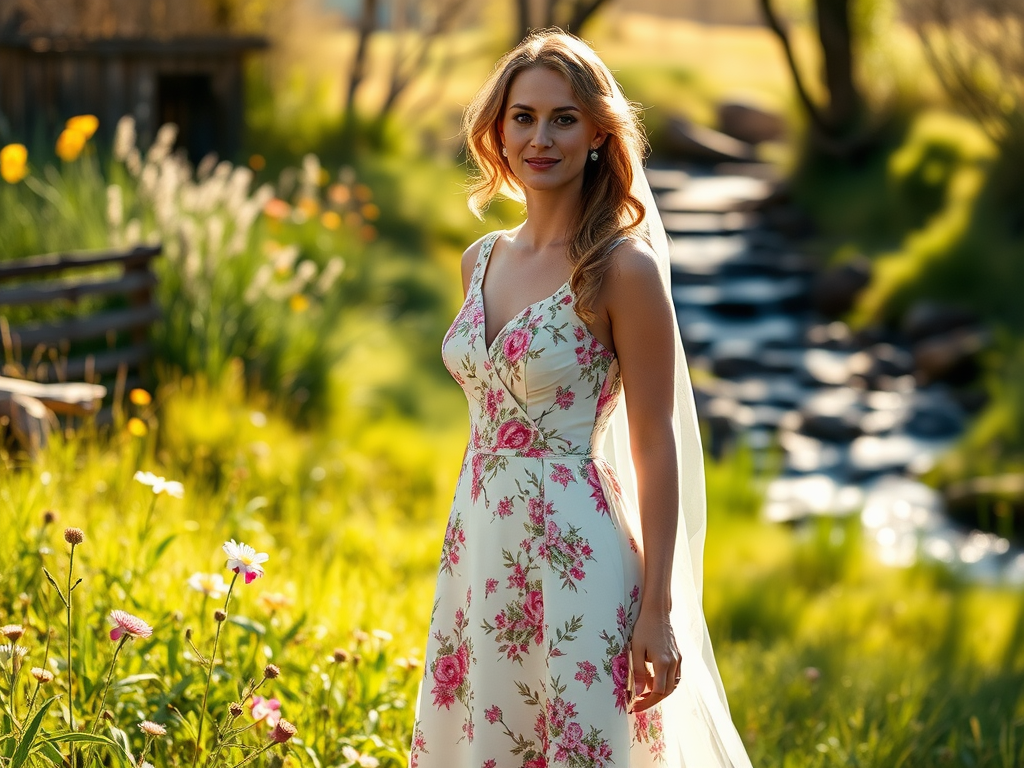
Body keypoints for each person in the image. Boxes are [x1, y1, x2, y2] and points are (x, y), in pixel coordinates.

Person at [411, 29, 754, 768]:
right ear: (497, 130)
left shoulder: (621, 270)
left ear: (598, 132)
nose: (541, 137)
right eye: (523, 117)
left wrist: (658, 610)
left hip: (580, 553)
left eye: (563, 118)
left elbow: (654, 442)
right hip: (478, 545)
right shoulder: (480, 259)